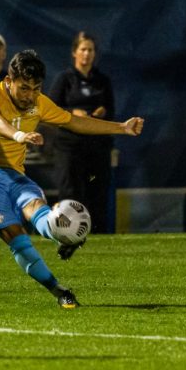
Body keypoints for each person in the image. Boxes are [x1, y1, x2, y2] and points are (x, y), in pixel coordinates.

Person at [0, 49, 144, 309]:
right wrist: (18, 135)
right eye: (24, 88)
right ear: (9, 81)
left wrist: (121, 127)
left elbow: (74, 122)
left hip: (13, 176)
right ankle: (59, 290)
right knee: (15, 233)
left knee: (40, 211)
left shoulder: (38, 103)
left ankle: (63, 236)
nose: (30, 96)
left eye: (36, 88)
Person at [49, 31, 115, 234]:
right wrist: (72, 113)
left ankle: (98, 234)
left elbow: (111, 110)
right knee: (71, 192)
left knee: (96, 190)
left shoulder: (102, 81)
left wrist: (101, 112)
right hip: (69, 146)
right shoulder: (65, 79)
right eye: (83, 49)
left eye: (90, 50)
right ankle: (70, 234)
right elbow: (50, 110)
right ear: (74, 53)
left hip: (96, 146)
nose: (87, 54)